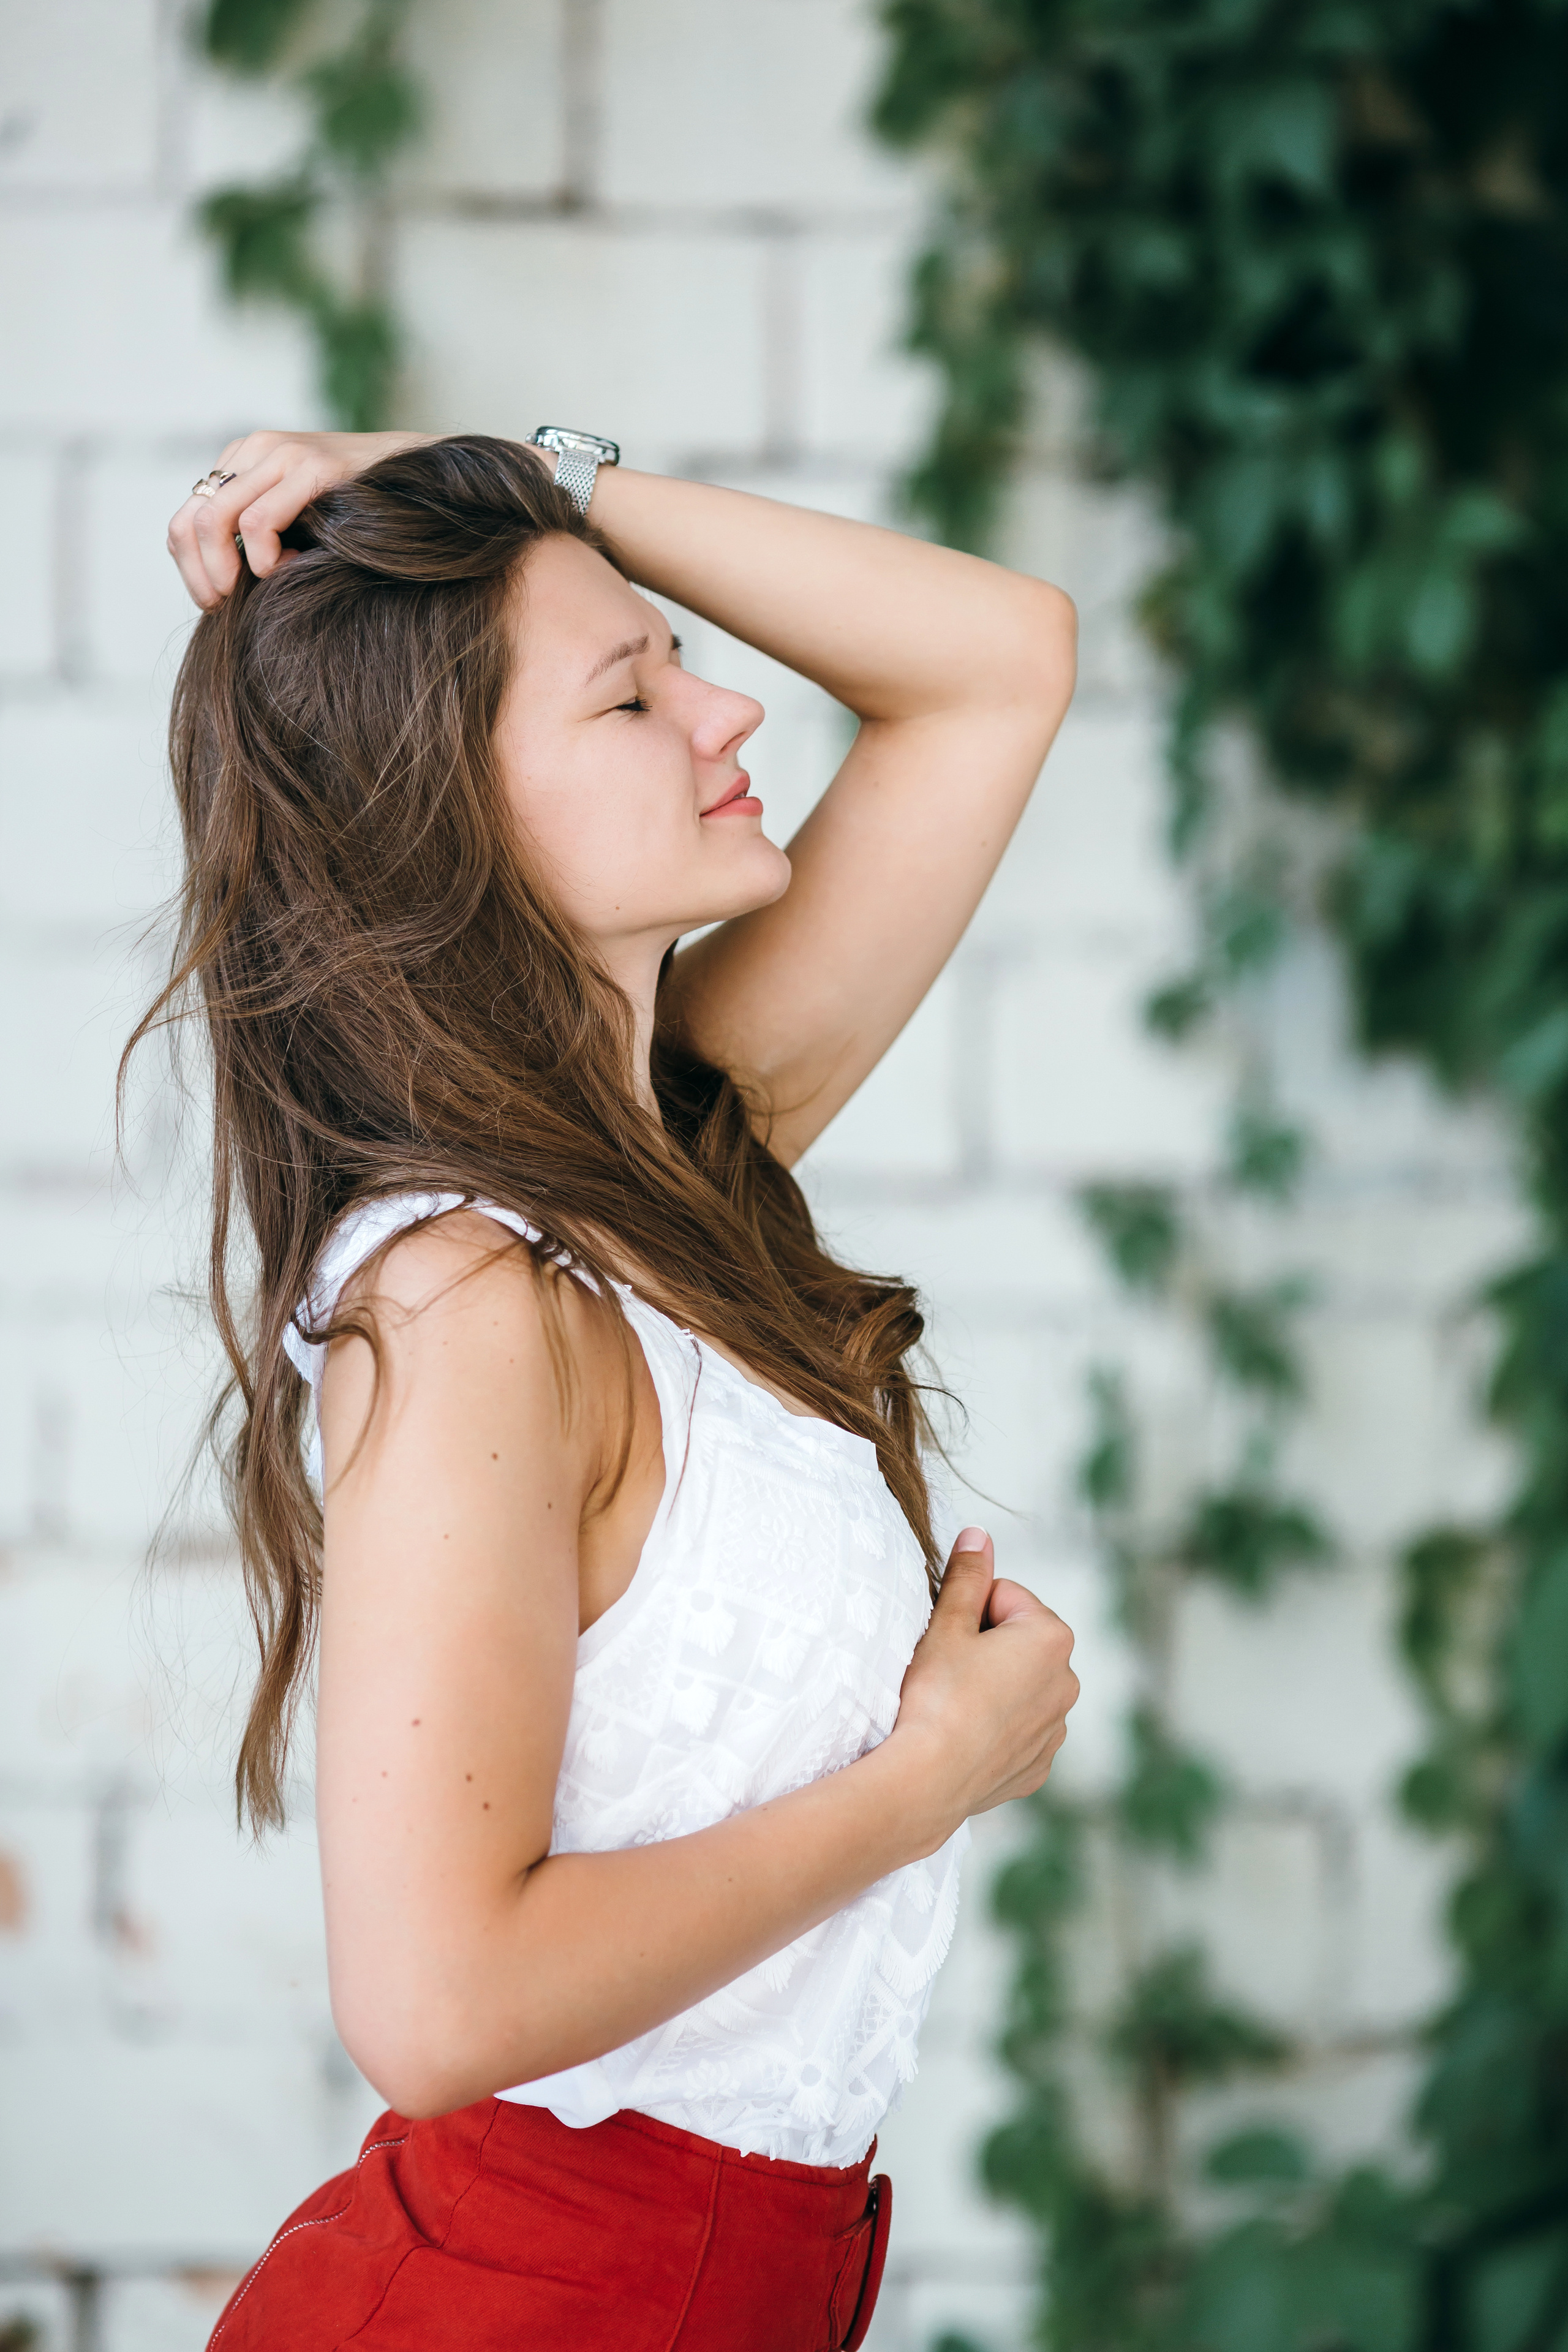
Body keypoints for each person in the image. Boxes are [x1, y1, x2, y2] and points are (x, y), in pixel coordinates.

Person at [155, 426, 1080, 2352]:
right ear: (456, 818)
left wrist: (513, 461)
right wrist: (930, 1780)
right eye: (634, 689)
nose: (729, 700)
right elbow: (434, 2010)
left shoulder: (676, 1158)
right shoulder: (472, 1295)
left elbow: (1001, 656)